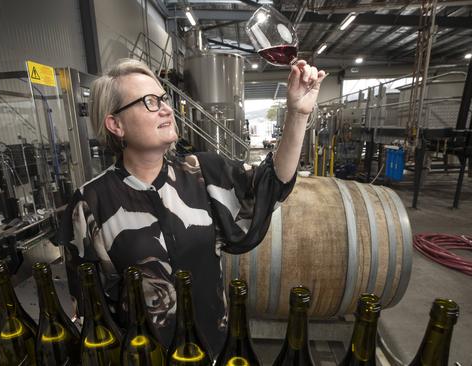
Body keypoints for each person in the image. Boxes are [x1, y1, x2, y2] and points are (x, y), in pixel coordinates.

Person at [57, 58, 327, 355]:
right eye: (149, 102)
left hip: (213, 347)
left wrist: (297, 113)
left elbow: (271, 184)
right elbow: (89, 306)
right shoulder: (90, 203)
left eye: (163, 98)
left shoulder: (202, 173)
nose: (166, 108)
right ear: (115, 124)